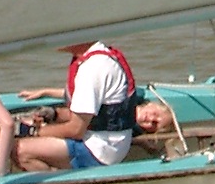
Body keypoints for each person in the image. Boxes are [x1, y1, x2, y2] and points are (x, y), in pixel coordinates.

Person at [15, 41, 138, 172]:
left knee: (19, 150)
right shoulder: (100, 57)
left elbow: (76, 130)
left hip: (101, 150)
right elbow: (89, 110)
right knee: (29, 125)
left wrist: (33, 132)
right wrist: (53, 113)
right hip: (110, 141)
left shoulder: (93, 68)